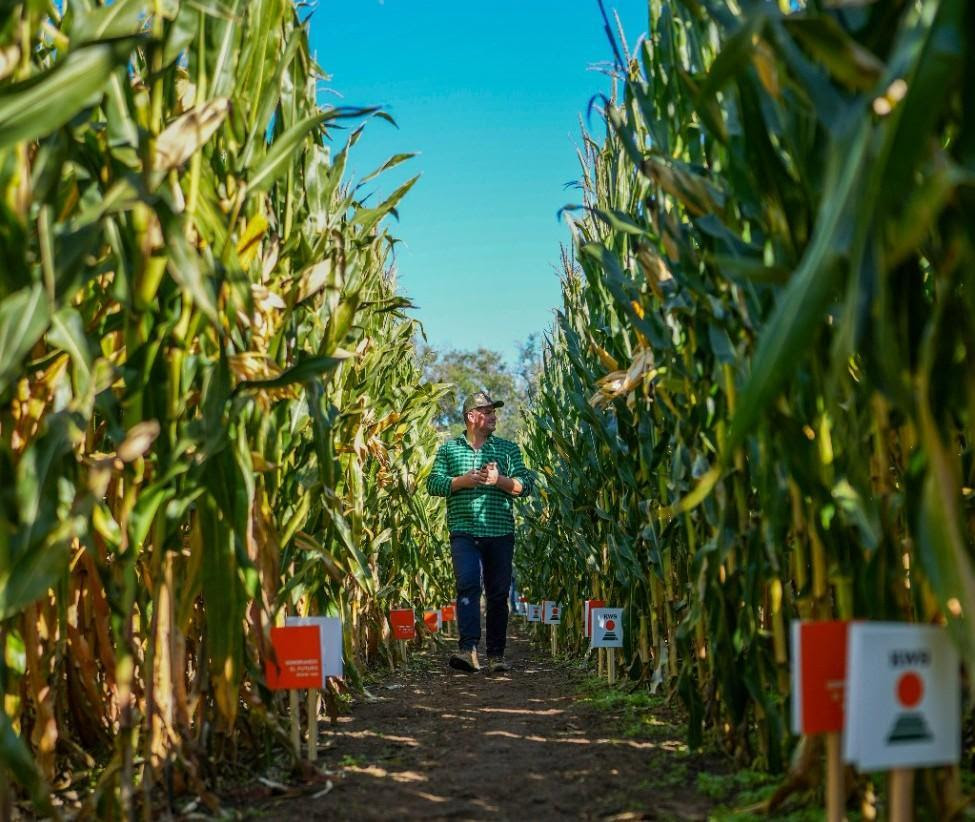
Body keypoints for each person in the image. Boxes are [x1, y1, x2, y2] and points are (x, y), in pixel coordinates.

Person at [425, 391, 534, 673]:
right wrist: (462, 481)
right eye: (486, 411)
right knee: (468, 585)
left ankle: (496, 655)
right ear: (471, 417)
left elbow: (526, 485)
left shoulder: (508, 449)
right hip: (463, 530)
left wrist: (499, 481)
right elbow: (433, 484)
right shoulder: (450, 450)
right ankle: (468, 651)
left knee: (498, 594)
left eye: (493, 411)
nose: (493, 416)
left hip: (499, 530)